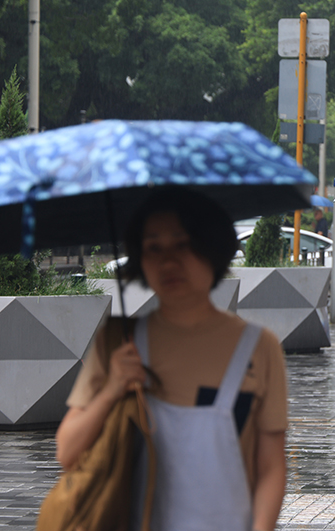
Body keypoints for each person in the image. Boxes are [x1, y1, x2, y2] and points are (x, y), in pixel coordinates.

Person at [56, 189, 288, 530]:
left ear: (213, 247)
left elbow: (270, 466)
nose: (168, 261)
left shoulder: (259, 347)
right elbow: (68, 452)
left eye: (183, 244)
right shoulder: (119, 342)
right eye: (153, 247)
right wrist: (112, 389)